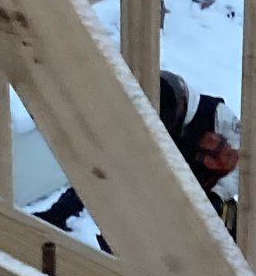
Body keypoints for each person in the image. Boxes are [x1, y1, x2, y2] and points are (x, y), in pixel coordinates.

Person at [35, 69, 240, 240]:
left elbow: (247, 166)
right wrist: (60, 213)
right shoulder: (135, 119)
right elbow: (99, 167)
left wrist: (217, 196)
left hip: (210, 206)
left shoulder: (216, 116)